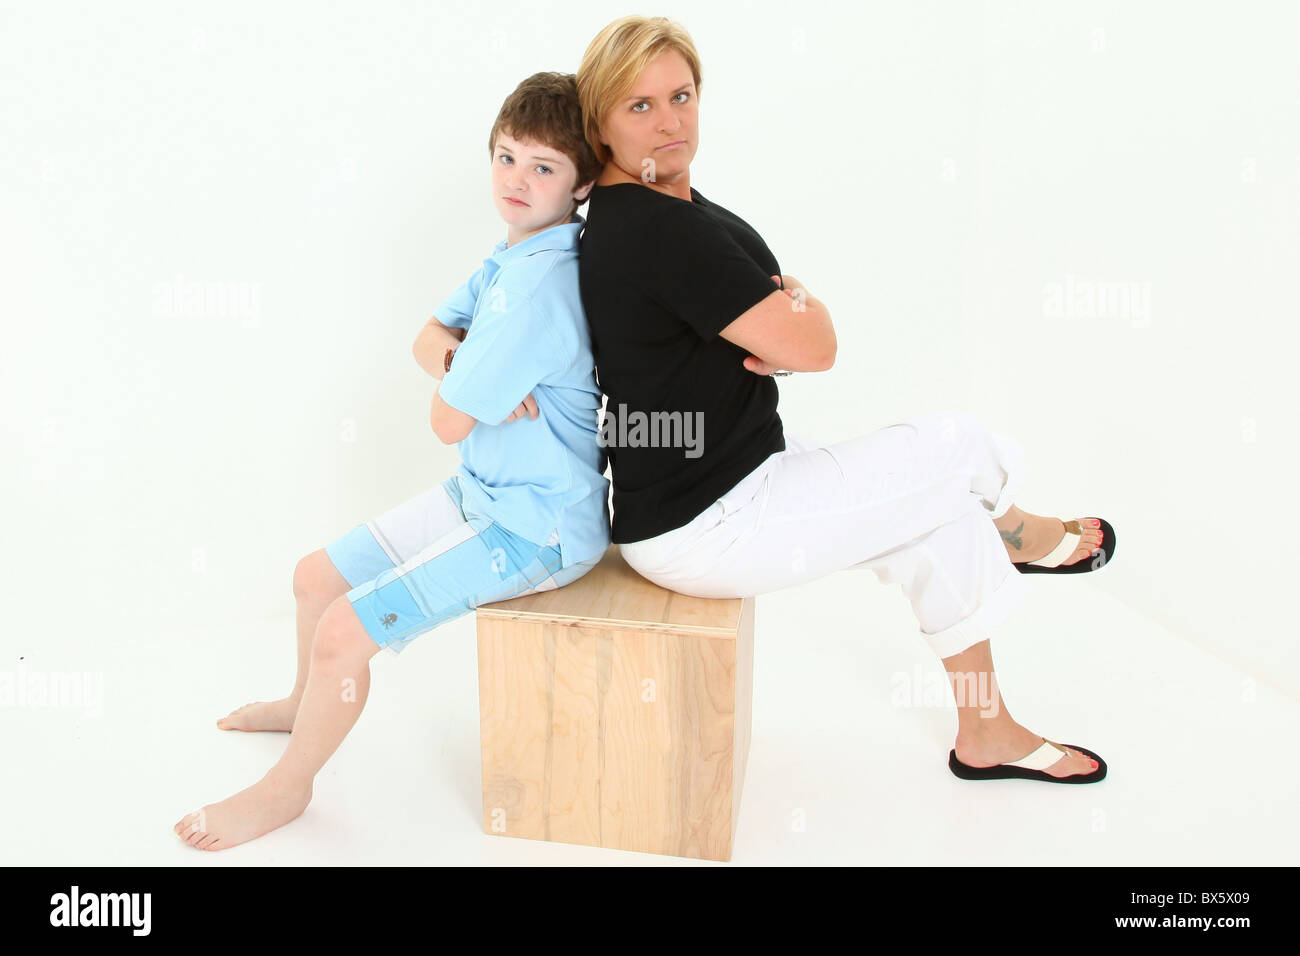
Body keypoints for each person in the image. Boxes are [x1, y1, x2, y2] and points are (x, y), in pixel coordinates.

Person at [575, 16, 1116, 785]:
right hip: (711, 520)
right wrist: (798, 314)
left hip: (728, 483)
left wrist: (794, 313)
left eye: (682, 95)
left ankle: (986, 732)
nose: (670, 120)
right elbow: (816, 348)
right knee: (956, 445)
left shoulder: (660, 204)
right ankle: (1024, 532)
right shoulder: (657, 230)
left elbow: (794, 329)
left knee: (940, 520)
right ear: (600, 122)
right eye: (640, 106)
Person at [174, 72, 611, 850]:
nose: (518, 179)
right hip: (483, 491)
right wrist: (463, 364)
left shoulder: (546, 281)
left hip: (536, 527)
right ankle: (299, 701)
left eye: (544, 167)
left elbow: (444, 422)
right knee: (316, 577)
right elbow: (428, 338)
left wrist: (458, 374)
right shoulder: (511, 254)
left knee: (345, 628)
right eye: (507, 156)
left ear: (580, 185)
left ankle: (289, 790)